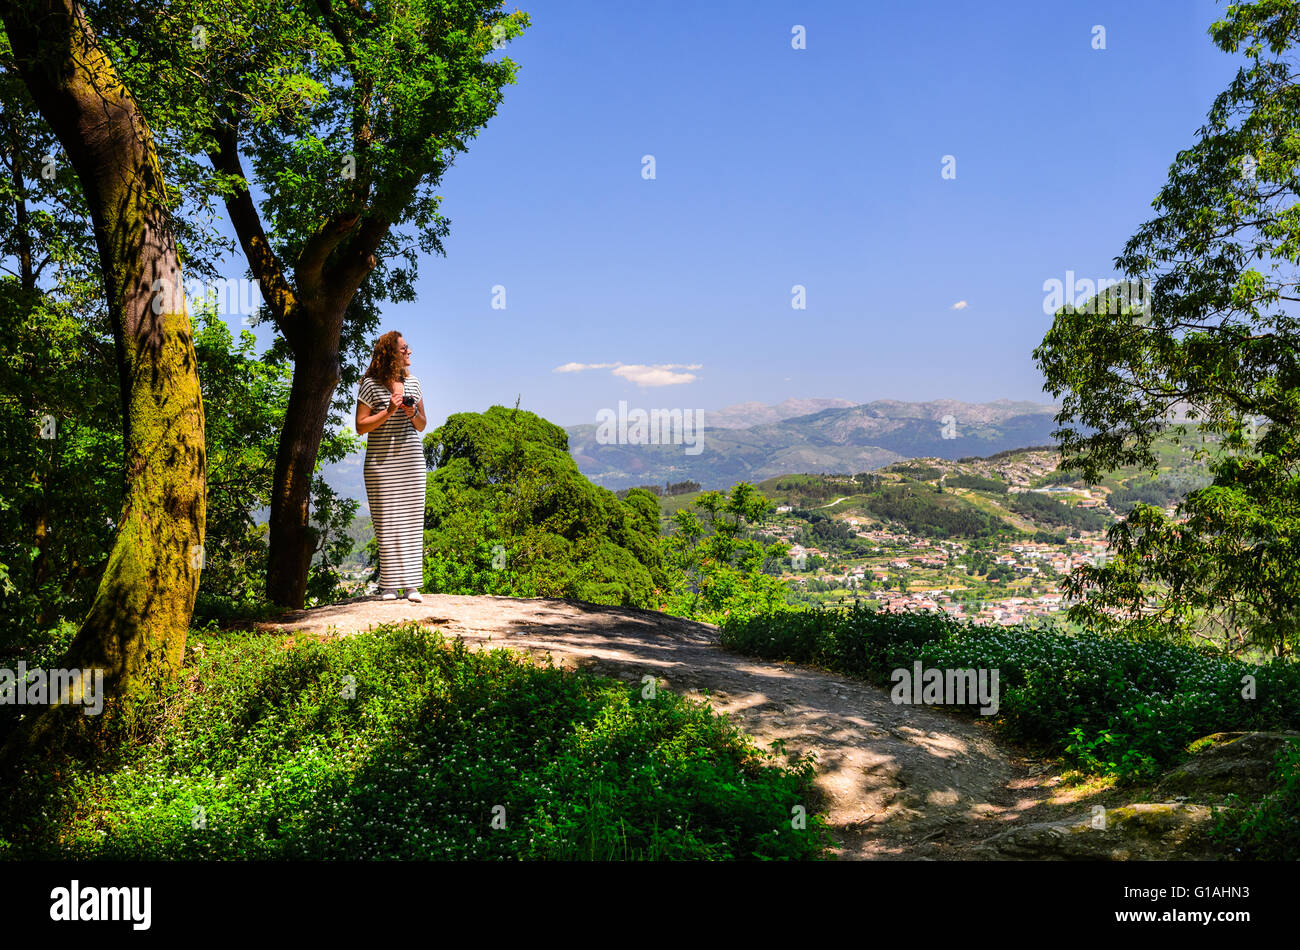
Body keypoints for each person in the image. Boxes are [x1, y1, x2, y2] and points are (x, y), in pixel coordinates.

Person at [355, 331, 427, 602]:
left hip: (411, 460)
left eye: (408, 347)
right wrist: (388, 411)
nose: (409, 352)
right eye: (404, 348)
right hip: (380, 462)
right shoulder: (370, 385)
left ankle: (411, 585)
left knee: (410, 521)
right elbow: (360, 426)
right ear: (390, 354)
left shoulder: (415, 383)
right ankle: (388, 585)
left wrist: (412, 413)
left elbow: (422, 424)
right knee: (386, 521)